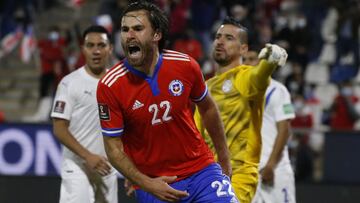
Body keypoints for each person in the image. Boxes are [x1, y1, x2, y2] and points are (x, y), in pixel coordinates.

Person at [96, 1, 236, 203]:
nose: (129, 36)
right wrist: (144, 182)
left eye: (138, 28)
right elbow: (113, 147)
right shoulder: (110, 86)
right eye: (125, 30)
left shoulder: (185, 65)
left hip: (202, 171)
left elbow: (208, 109)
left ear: (156, 35)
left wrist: (224, 160)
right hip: (156, 184)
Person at [194, 17, 288, 203]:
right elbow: (196, 133)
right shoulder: (206, 86)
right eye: (218, 36)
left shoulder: (246, 77)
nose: (220, 41)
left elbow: (260, 75)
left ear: (243, 49)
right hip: (208, 175)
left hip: (239, 174)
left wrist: (271, 58)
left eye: (229, 38)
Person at [51, 25, 118, 203]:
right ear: (83, 49)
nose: (96, 51)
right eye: (90, 45)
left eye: (101, 45)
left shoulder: (118, 85)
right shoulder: (69, 83)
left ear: (110, 48)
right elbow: (59, 128)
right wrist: (88, 156)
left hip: (107, 166)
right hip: (77, 165)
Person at [243, 50, 297, 203]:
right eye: (244, 59)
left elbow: (284, 130)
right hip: (248, 172)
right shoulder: (239, 93)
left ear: (262, 62)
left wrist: (271, 165)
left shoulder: (278, 90)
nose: (247, 62)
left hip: (274, 169)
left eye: (252, 58)